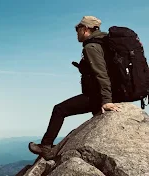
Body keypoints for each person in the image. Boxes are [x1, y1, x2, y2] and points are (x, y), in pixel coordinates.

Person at [28, 16, 120, 160]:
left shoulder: (92, 46)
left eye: (78, 29)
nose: (76, 32)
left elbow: (101, 74)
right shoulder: (104, 43)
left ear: (85, 29)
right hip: (106, 93)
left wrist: (106, 100)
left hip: (98, 95)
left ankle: (46, 146)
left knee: (59, 109)